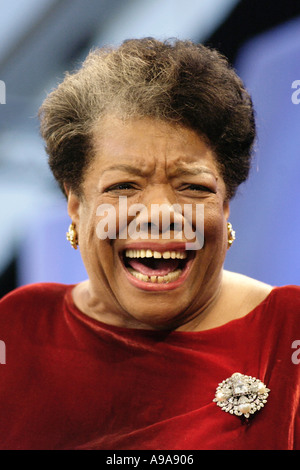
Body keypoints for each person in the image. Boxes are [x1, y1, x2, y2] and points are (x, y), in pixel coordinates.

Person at [0, 38, 299, 450]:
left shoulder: (289, 333)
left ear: (226, 205)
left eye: (193, 187)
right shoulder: (16, 327)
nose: (160, 213)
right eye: (123, 186)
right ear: (75, 204)